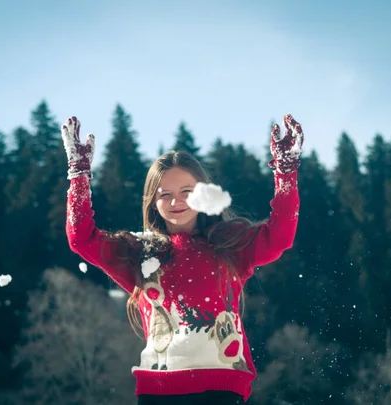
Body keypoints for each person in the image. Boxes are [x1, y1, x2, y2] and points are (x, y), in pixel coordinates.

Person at [61, 114, 304, 405]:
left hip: (222, 387)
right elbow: (81, 238)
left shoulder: (228, 244)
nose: (176, 202)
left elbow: (280, 235)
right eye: (165, 195)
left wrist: (286, 172)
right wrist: (79, 176)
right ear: (152, 200)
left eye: (186, 192)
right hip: (158, 391)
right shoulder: (140, 253)